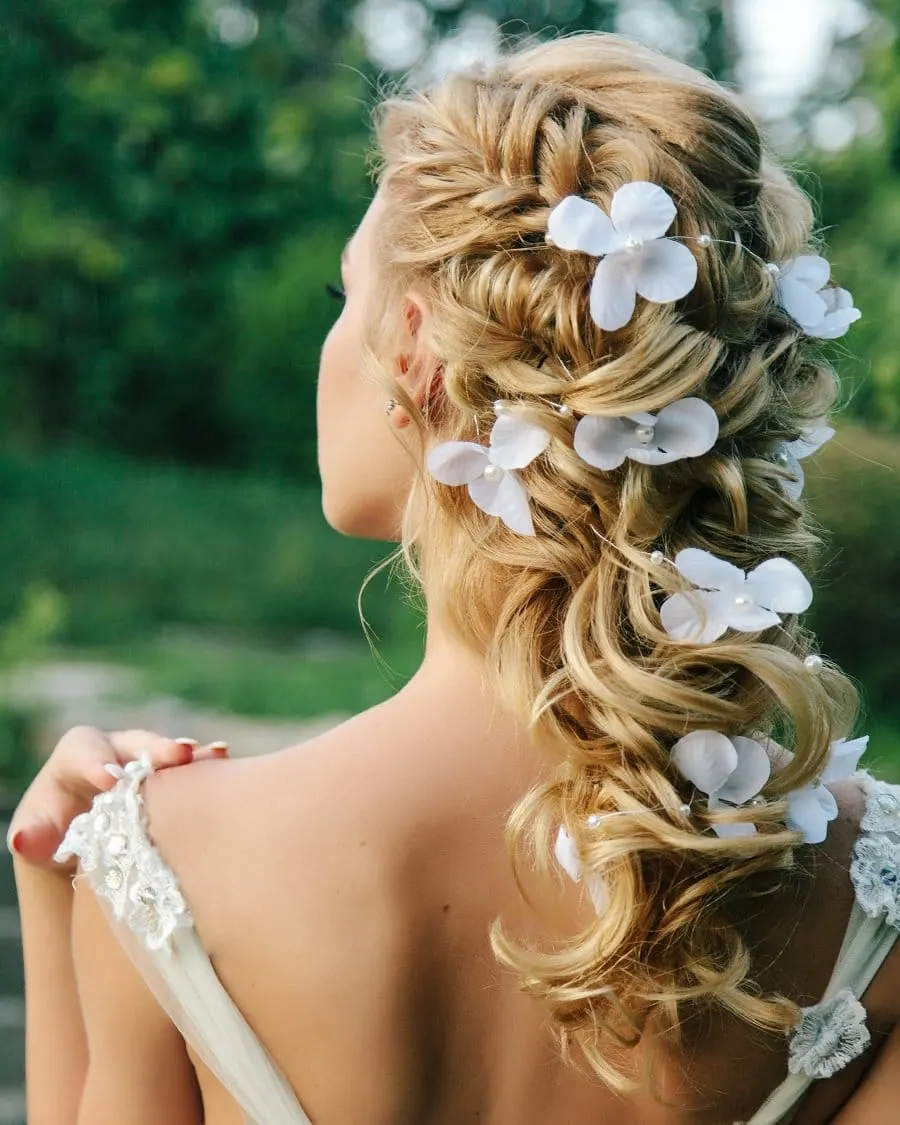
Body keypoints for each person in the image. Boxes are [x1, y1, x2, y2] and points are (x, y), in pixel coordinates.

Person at [8, 32, 899, 1125]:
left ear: (419, 349)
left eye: (347, 295)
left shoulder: (177, 860)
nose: (331, 344)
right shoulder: (872, 895)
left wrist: (66, 888)